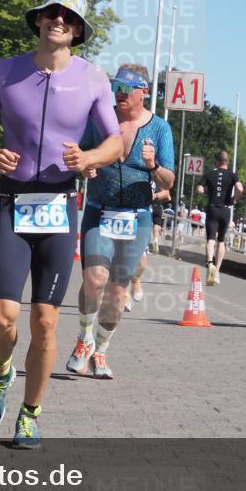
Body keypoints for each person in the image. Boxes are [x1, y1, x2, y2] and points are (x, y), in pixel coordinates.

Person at [0, 0, 123, 448]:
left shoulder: (93, 78)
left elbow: (115, 142)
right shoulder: (6, 72)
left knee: (47, 322)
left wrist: (89, 155)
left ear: (76, 31)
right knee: (1, 318)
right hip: (14, 201)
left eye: (68, 17)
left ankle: (30, 415)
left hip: (59, 205)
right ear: (38, 21)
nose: (58, 20)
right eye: (51, 13)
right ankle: (1, 371)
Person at [67, 64, 175, 380]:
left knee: (116, 293)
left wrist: (153, 165)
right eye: (116, 88)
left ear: (144, 92)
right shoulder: (100, 118)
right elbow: (79, 154)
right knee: (94, 279)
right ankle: (83, 341)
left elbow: (169, 180)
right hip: (100, 211)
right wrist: (84, 166)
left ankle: (100, 351)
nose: (120, 95)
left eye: (127, 89)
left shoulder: (159, 129)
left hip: (137, 218)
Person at [196, 151, 244, 286]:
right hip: (225, 210)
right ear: (227, 163)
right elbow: (240, 188)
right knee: (221, 241)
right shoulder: (232, 175)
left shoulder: (209, 174)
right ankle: (216, 272)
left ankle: (210, 263)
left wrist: (205, 191)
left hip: (212, 209)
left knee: (210, 240)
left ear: (217, 162)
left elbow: (199, 189)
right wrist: (234, 198)